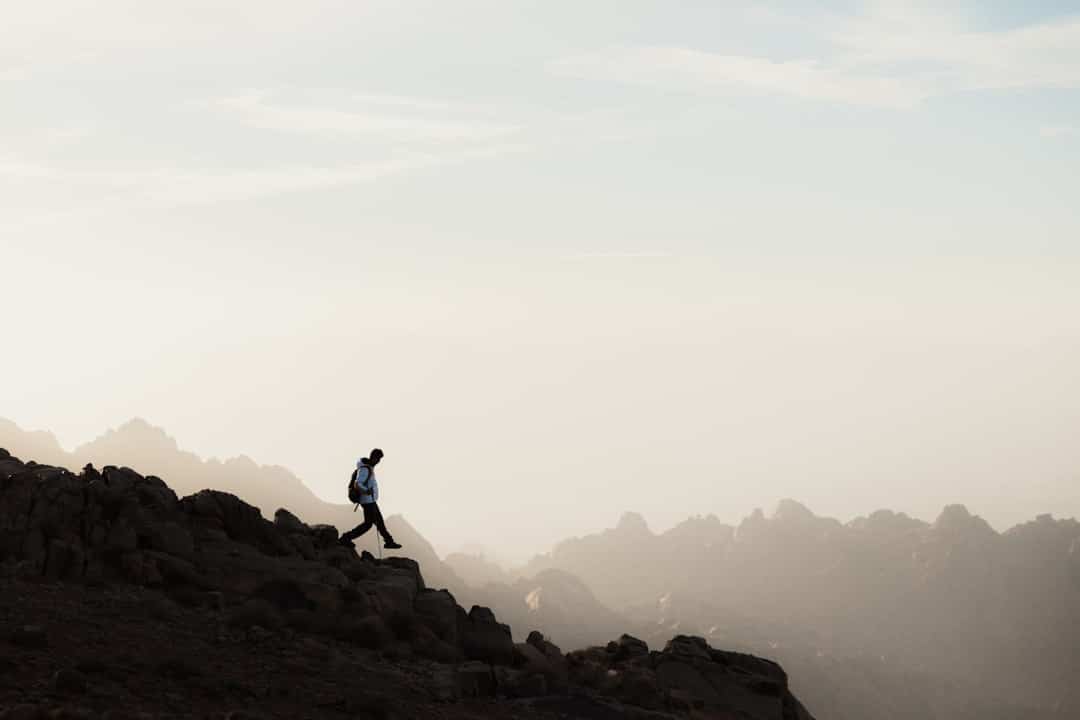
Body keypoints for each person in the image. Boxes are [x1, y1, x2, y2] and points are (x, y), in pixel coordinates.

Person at [339, 448, 402, 550]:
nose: (379, 462)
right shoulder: (365, 469)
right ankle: (346, 537)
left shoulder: (368, 467)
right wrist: (366, 491)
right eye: (378, 459)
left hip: (370, 500)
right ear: (374, 457)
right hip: (367, 501)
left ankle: (389, 541)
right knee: (369, 524)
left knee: (378, 522)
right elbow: (357, 484)